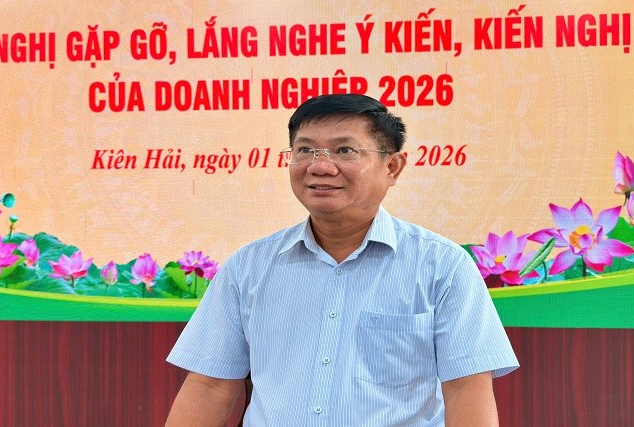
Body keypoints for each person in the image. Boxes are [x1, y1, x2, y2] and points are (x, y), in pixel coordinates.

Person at [165, 94, 519, 426]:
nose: (320, 167)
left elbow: (465, 388)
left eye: (344, 150)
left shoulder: (442, 266)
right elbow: (210, 385)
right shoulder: (248, 267)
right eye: (305, 150)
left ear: (392, 167)